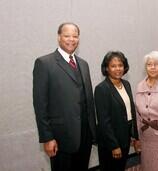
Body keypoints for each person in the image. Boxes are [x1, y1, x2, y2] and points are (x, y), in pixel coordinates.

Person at [33, 22, 97, 171]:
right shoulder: (44, 63)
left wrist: (93, 132)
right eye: (67, 36)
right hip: (61, 138)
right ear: (59, 37)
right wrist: (47, 138)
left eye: (75, 36)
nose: (71, 39)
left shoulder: (83, 64)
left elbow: (88, 100)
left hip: (85, 137)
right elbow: (40, 105)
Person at [94, 51, 140, 171]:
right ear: (106, 68)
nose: (118, 69)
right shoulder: (101, 89)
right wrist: (114, 146)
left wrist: (134, 136)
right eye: (113, 66)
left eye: (120, 65)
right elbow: (104, 121)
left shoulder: (126, 84)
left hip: (125, 138)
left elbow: (130, 112)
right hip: (110, 142)